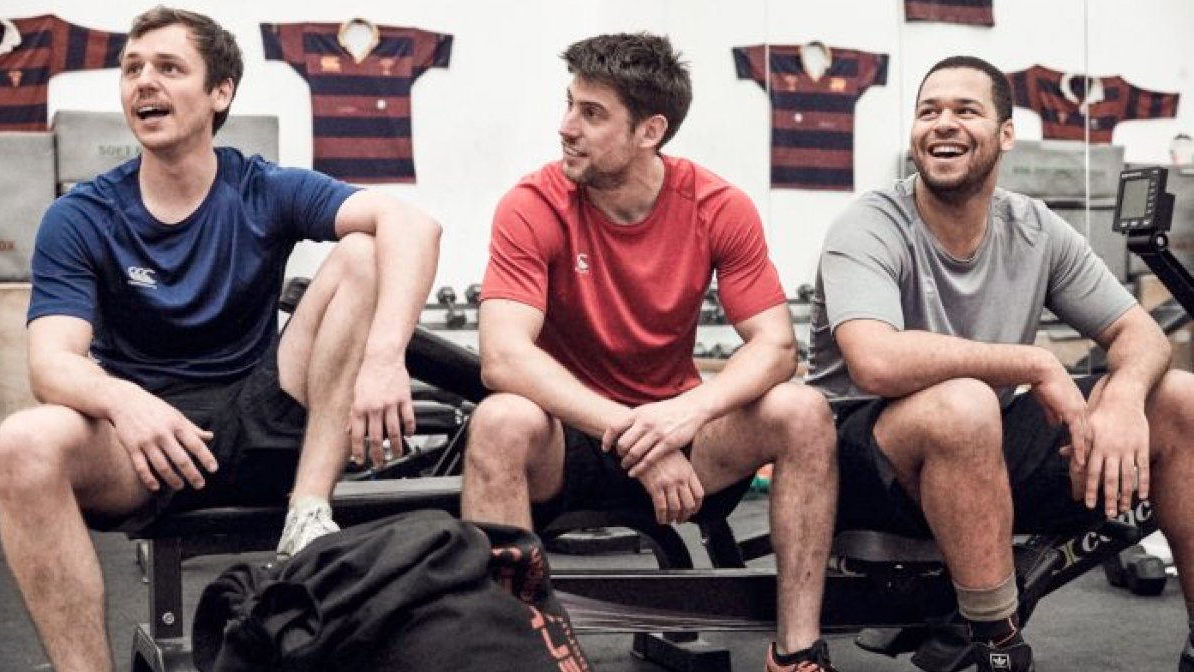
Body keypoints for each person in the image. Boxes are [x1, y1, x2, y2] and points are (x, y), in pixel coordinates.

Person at [0, 7, 441, 672]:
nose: (145, 83)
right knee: (20, 444)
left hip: (265, 415)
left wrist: (383, 359)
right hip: (147, 447)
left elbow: (414, 224)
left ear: (220, 93)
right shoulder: (81, 216)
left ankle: (308, 512)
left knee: (363, 253)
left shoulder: (261, 187)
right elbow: (51, 363)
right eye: (133, 69)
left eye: (169, 68)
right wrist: (126, 402)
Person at [460, 33, 840, 672]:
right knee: (499, 419)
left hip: (684, 437)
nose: (566, 128)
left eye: (592, 113)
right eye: (569, 105)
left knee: (802, 411)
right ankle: (514, 659)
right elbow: (503, 357)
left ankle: (796, 653)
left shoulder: (718, 206)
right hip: (571, 441)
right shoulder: (532, 205)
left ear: (650, 130)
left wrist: (686, 416)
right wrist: (642, 440)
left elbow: (777, 346)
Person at [808, 54, 1194, 672]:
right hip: (858, 460)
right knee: (966, 402)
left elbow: (1139, 333)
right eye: (928, 110)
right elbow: (874, 360)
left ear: (1006, 134)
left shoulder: (1034, 227)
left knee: (1179, 399)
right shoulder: (870, 222)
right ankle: (996, 647)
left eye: (966, 110)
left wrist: (1123, 400)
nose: (943, 123)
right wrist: (1035, 364)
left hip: (983, 438)